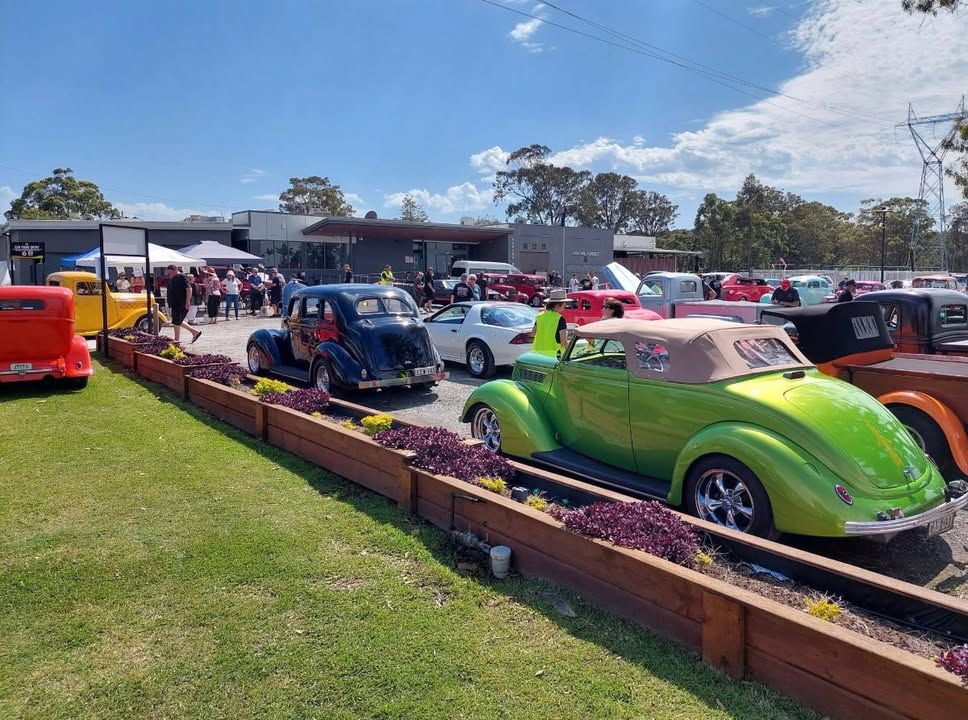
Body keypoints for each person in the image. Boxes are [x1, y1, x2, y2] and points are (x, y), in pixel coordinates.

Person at [165, 265, 201, 344]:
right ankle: (194, 332)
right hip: (175, 303)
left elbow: (189, 289)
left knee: (176, 321)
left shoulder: (182, 277)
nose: (169, 274)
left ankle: (176, 339)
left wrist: (187, 302)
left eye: (170, 273)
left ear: (175, 270)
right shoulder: (173, 278)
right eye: (168, 273)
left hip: (181, 303)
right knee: (177, 320)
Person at [532, 288, 569, 357]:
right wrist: (570, 352)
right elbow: (563, 342)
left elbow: (533, 333)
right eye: (564, 303)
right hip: (553, 356)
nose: (566, 306)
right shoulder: (560, 319)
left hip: (537, 354)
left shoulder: (539, 316)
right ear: (557, 305)